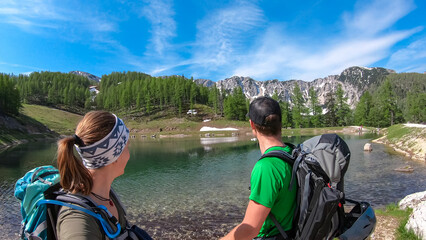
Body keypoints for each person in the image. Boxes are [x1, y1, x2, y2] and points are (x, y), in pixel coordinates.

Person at [221, 96, 297, 240]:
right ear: (280, 123)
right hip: (290, 233)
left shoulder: (267, 167)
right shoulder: (291, 151)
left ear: (252, 125)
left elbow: (250, 229)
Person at [56, 111, 132, 239]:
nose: (129, 154)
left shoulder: (106, 194)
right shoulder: (77, 220)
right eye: (127, 147)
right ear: (115, 156)